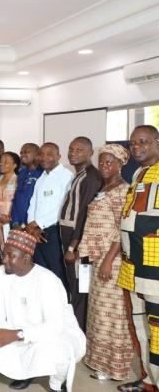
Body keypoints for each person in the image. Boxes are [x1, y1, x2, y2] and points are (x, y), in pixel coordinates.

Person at [0, 229, 86, 392]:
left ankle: (57, 384)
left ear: (26, 258)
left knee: (59, 353)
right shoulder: (1, 274)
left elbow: (54, 327)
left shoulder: (48, 281)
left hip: (52, 335)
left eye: (11, 256)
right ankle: (23, 372)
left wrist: (15, 335)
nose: (4, 260)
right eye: (4, 254)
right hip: (16, 330)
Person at [75, 144, 132, 381]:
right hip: (97, 258)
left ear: (120, 165)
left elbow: (123, 229)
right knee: (98, 313)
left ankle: (114, 367)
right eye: (102, 162)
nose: (104, 166)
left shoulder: (123, 190)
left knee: (113, 316)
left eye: (110, 162)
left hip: (113, 261)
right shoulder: (103, 187)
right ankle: (97, 360)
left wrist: (109, 260)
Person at [117, 125, 159, 392]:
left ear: (157, 142)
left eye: (143, 142)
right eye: (133, 143)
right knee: (139, 327)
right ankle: (148, 381)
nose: (137, 147)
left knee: (157, 329)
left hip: (155, 267)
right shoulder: (138, 173)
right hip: (132, 264)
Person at [60, 136, 103, 332]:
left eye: (79, 150)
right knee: (75, 284)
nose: (73, 153)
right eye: (71, 149)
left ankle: (80, 333)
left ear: (90, 153)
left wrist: (73, 246)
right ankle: (78, 329)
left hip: (78, 244)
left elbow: (85, 214)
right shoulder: (78, 175)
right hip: (70, 238)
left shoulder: (91, 177)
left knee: (80, 287)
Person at [27, 142, 74, 286]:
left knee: (56, 274)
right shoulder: (41, 177)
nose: (44, 157)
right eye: (41, 154)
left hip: (54, 232)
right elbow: (33, 203)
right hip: (35, 233)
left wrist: (39, 224)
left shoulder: (66, 176)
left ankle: (61, 306)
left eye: (49, 154)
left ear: (58, 156)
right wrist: (31, 225)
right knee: (40, 272)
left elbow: (63, 207)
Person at [10, 143, 42, 227]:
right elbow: (17, 198)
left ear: (37, 154)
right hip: (20, 225)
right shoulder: (21, 173)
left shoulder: (43, 173)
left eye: (26, 152)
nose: (22, 155)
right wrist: (15, 222)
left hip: (35, 225)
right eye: (21, 153)